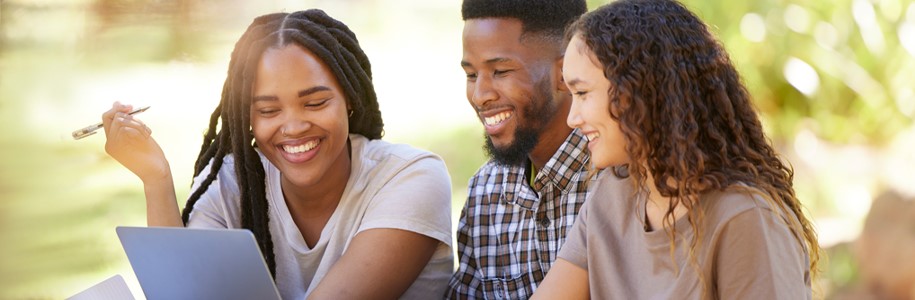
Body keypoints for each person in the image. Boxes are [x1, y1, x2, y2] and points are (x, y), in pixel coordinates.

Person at [102, 9, 453, 299]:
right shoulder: (229, 185)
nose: (294, 126)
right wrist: (156, 179)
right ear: (247, 119)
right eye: (269, 111)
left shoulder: (411, 178)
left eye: (315, 103)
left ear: (349, 98)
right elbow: (181, 293)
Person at [532, 0, 822, 298]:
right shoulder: (610, 197)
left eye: (582, 93)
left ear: (638, 89)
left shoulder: (745, 218)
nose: (572, 118)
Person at [446, 0, 589, 299]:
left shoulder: (618, 180)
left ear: (565, 72)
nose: (480, 95)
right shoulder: (485, 192)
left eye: (500, 71)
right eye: (471, 75)